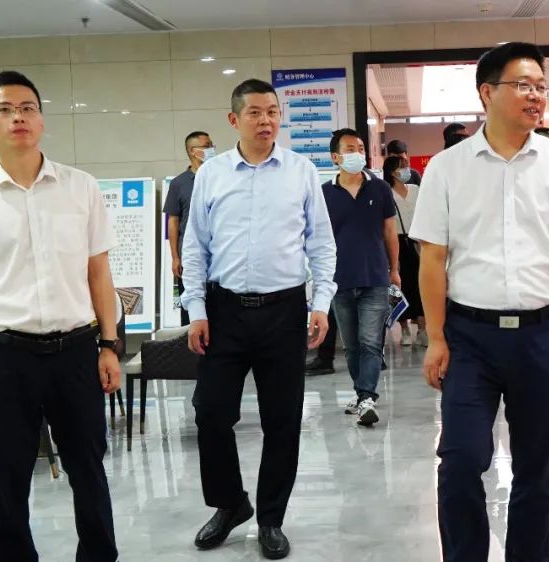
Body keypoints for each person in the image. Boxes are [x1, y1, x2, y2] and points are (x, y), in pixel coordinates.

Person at [410, 42, 549, 562]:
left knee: (537, 470)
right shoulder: (447, 168)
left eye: (540, 86)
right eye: (523, 85)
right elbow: (432, 259)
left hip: (543, 333)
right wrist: (435, 337)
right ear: (487, 93)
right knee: (459, 460)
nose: (536, 95)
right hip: (470, 336)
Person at [0, 70, 120, 562]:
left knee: (89, 469)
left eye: (27, 108)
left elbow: (99, 273)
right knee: (7, 476)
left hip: (76, 351)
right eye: (4, 109)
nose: (17, 117)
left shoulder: (81, 188)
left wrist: (109, 345)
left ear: (42, 119)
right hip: (4, 356)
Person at [180, 78, 336, 560]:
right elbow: (195, 246)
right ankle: (230, 503)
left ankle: (271, 518)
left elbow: (321, 243)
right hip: (224, 312)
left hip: (284, 312)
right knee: (210, 412)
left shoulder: (301, 171)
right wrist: (196, 309)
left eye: (272, 111)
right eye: (254, 112)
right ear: (234, 120)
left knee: (282, 420)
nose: (266, 120)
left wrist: (320, 303)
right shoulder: (212, 174)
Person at [322, 128, 400, 426]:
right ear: (335, 157)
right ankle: (360, 394)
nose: (357, 153)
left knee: (370, 341)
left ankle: (367, 396)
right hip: (339, 279)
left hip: (375, 277)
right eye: (350, 149)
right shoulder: (324, 193)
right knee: (352, 345)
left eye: (360, 148)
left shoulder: (379, 188)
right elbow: (318, 238)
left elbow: (390, 232)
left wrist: (394, 269)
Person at [165, 131, 216, 326]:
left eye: (212, 145)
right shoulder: (179, 183)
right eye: (207, 146)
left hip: (217, 254)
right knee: (191, 310)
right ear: (193, 151)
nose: (212, 149)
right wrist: (175, 257)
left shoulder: (217, 177)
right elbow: (173, 221)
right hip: (189, 255)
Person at [383, 154, 427, 346]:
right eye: (402, 167)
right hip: (397, 242)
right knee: (402, 287)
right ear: (392, 172)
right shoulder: (387, 192)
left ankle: (423, 329)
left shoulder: (415, 189)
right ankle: (404, 328)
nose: (406, 170)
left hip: (417, 241)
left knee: (420, 286)